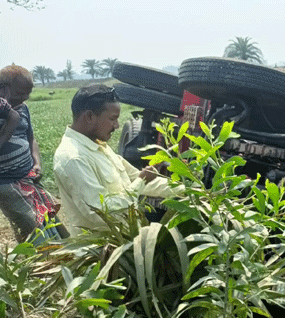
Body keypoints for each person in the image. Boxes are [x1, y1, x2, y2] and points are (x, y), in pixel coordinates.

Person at [53, 84, 177, 236]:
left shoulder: (99, 146)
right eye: (112, 119)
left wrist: (191, 191)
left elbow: (139, 179)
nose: (117, 125)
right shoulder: (73, 158)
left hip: (124, 243)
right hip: (101, 253)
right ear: (89, 116)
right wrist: (141, 181)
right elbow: (102, 213)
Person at [0, 65, 59, 242]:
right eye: (19, 93)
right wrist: (10, 117)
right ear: (3, 88)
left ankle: (60, 254)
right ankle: (43, 264)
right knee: (31, 230)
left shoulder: (23, 108)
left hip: (29, 177)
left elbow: (31, 138)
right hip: (6, 183)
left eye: (27, 94)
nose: (24, 98)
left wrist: (37, 162)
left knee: (49, 221)